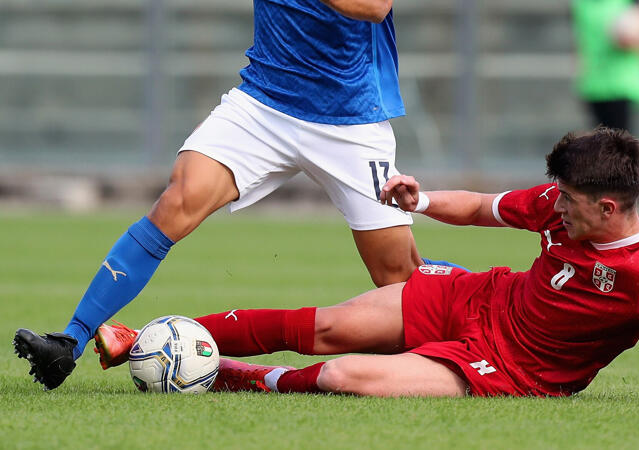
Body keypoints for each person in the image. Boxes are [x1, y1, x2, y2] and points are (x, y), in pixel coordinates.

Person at [87, 128, 639, 405]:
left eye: (573, 204)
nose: (559, 210)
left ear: (611, 208)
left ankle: (234, 379)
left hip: (514, 372)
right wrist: (419, 200)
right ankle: (144, 337)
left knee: (341, 378)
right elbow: (482, 206)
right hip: (479, 300)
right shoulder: (557, 202)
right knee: (327, 326)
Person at [12, 0, 465, 391]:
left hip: (351, 120)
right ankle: (68, 342)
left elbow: (374, 7)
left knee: (397, 276)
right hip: (263, 104)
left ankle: (490, 321)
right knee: (177, 201)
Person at [572, 0, 639, 132]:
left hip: (623, 82)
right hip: (595, 81)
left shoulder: (630, 3)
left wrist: (632, 36)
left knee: (621, 141)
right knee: (602, 142)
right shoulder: (582, 4)